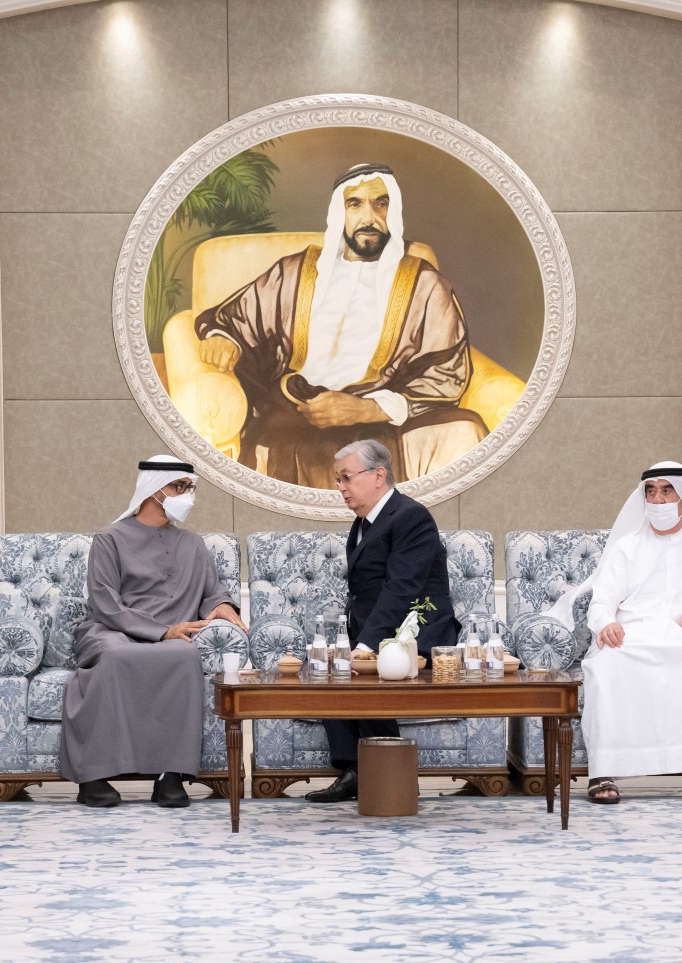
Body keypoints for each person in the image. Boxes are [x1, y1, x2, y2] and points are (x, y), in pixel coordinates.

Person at [193, 163, 488, 487]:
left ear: (393, 212)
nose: (369, 218)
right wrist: (224, 338)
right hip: (299, 407)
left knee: (466, 430)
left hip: (385, 411)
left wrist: (367, 410)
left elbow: (445, 371)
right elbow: (238, 318)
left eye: (381, 203)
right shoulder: (296, 272)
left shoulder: (425, 284)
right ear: (339, 212)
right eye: (355, 204)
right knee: (288, 439)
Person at [555, 461, 682, 805]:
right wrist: (607, 624)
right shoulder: (627, 545)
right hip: (632, 638)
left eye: (667, 491)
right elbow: (602, 601)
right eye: (651, 491)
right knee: (605, 665)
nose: (658, 499)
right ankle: (604, 770)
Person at [61, 456, 246, 808]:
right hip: (112, 630)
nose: (187, 495)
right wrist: (161, 631)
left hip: (174, 635)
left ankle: (170, 776)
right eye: (178, 487)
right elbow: (104, 603)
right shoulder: (109, 539)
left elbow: (212, 591)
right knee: (117, 655)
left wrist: (222, 605)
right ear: (152, 490)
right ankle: (93, 777)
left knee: (185, 654)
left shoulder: (193, 543)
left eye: (190, 488)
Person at [306, 438, 460, 804]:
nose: (340, 487)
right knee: (327, 668)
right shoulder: (364, 521)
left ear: (378, 475)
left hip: (415, 637)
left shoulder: (411, 517)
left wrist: (364, 646)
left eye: (346, 477)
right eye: (338, 479)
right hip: (376, 632)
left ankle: (386, 775)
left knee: (361, 671)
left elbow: (401, 590)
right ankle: (354, 769)